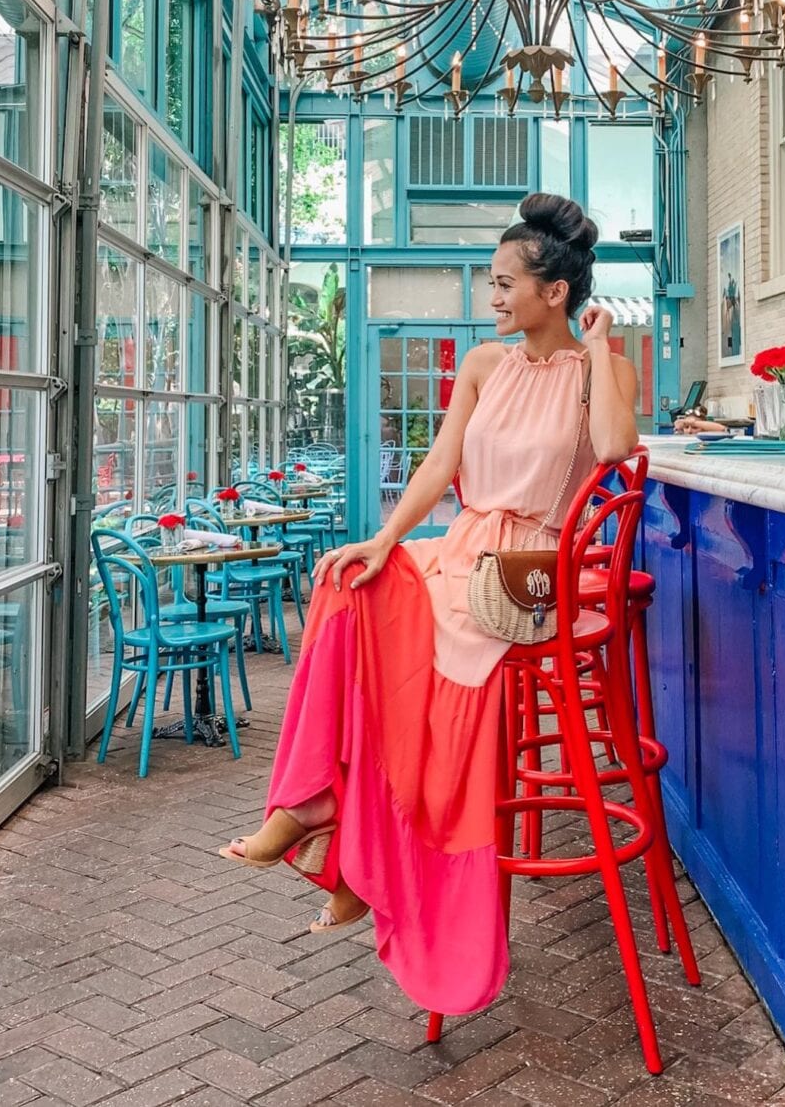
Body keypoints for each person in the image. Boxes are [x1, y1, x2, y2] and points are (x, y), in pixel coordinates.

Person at [218, 193, 640, 1016]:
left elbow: (620, 448)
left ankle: (343, 844)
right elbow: (440, 466)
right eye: (493, 282)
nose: (493, 295)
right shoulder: (485, 365)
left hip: (527, 575)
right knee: (348, 582)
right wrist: (384, 539)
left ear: (554, 292)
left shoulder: (605, 368)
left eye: (505, 282)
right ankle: (316, 812)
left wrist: (598, 355)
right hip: (463, 550)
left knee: (411, 647)